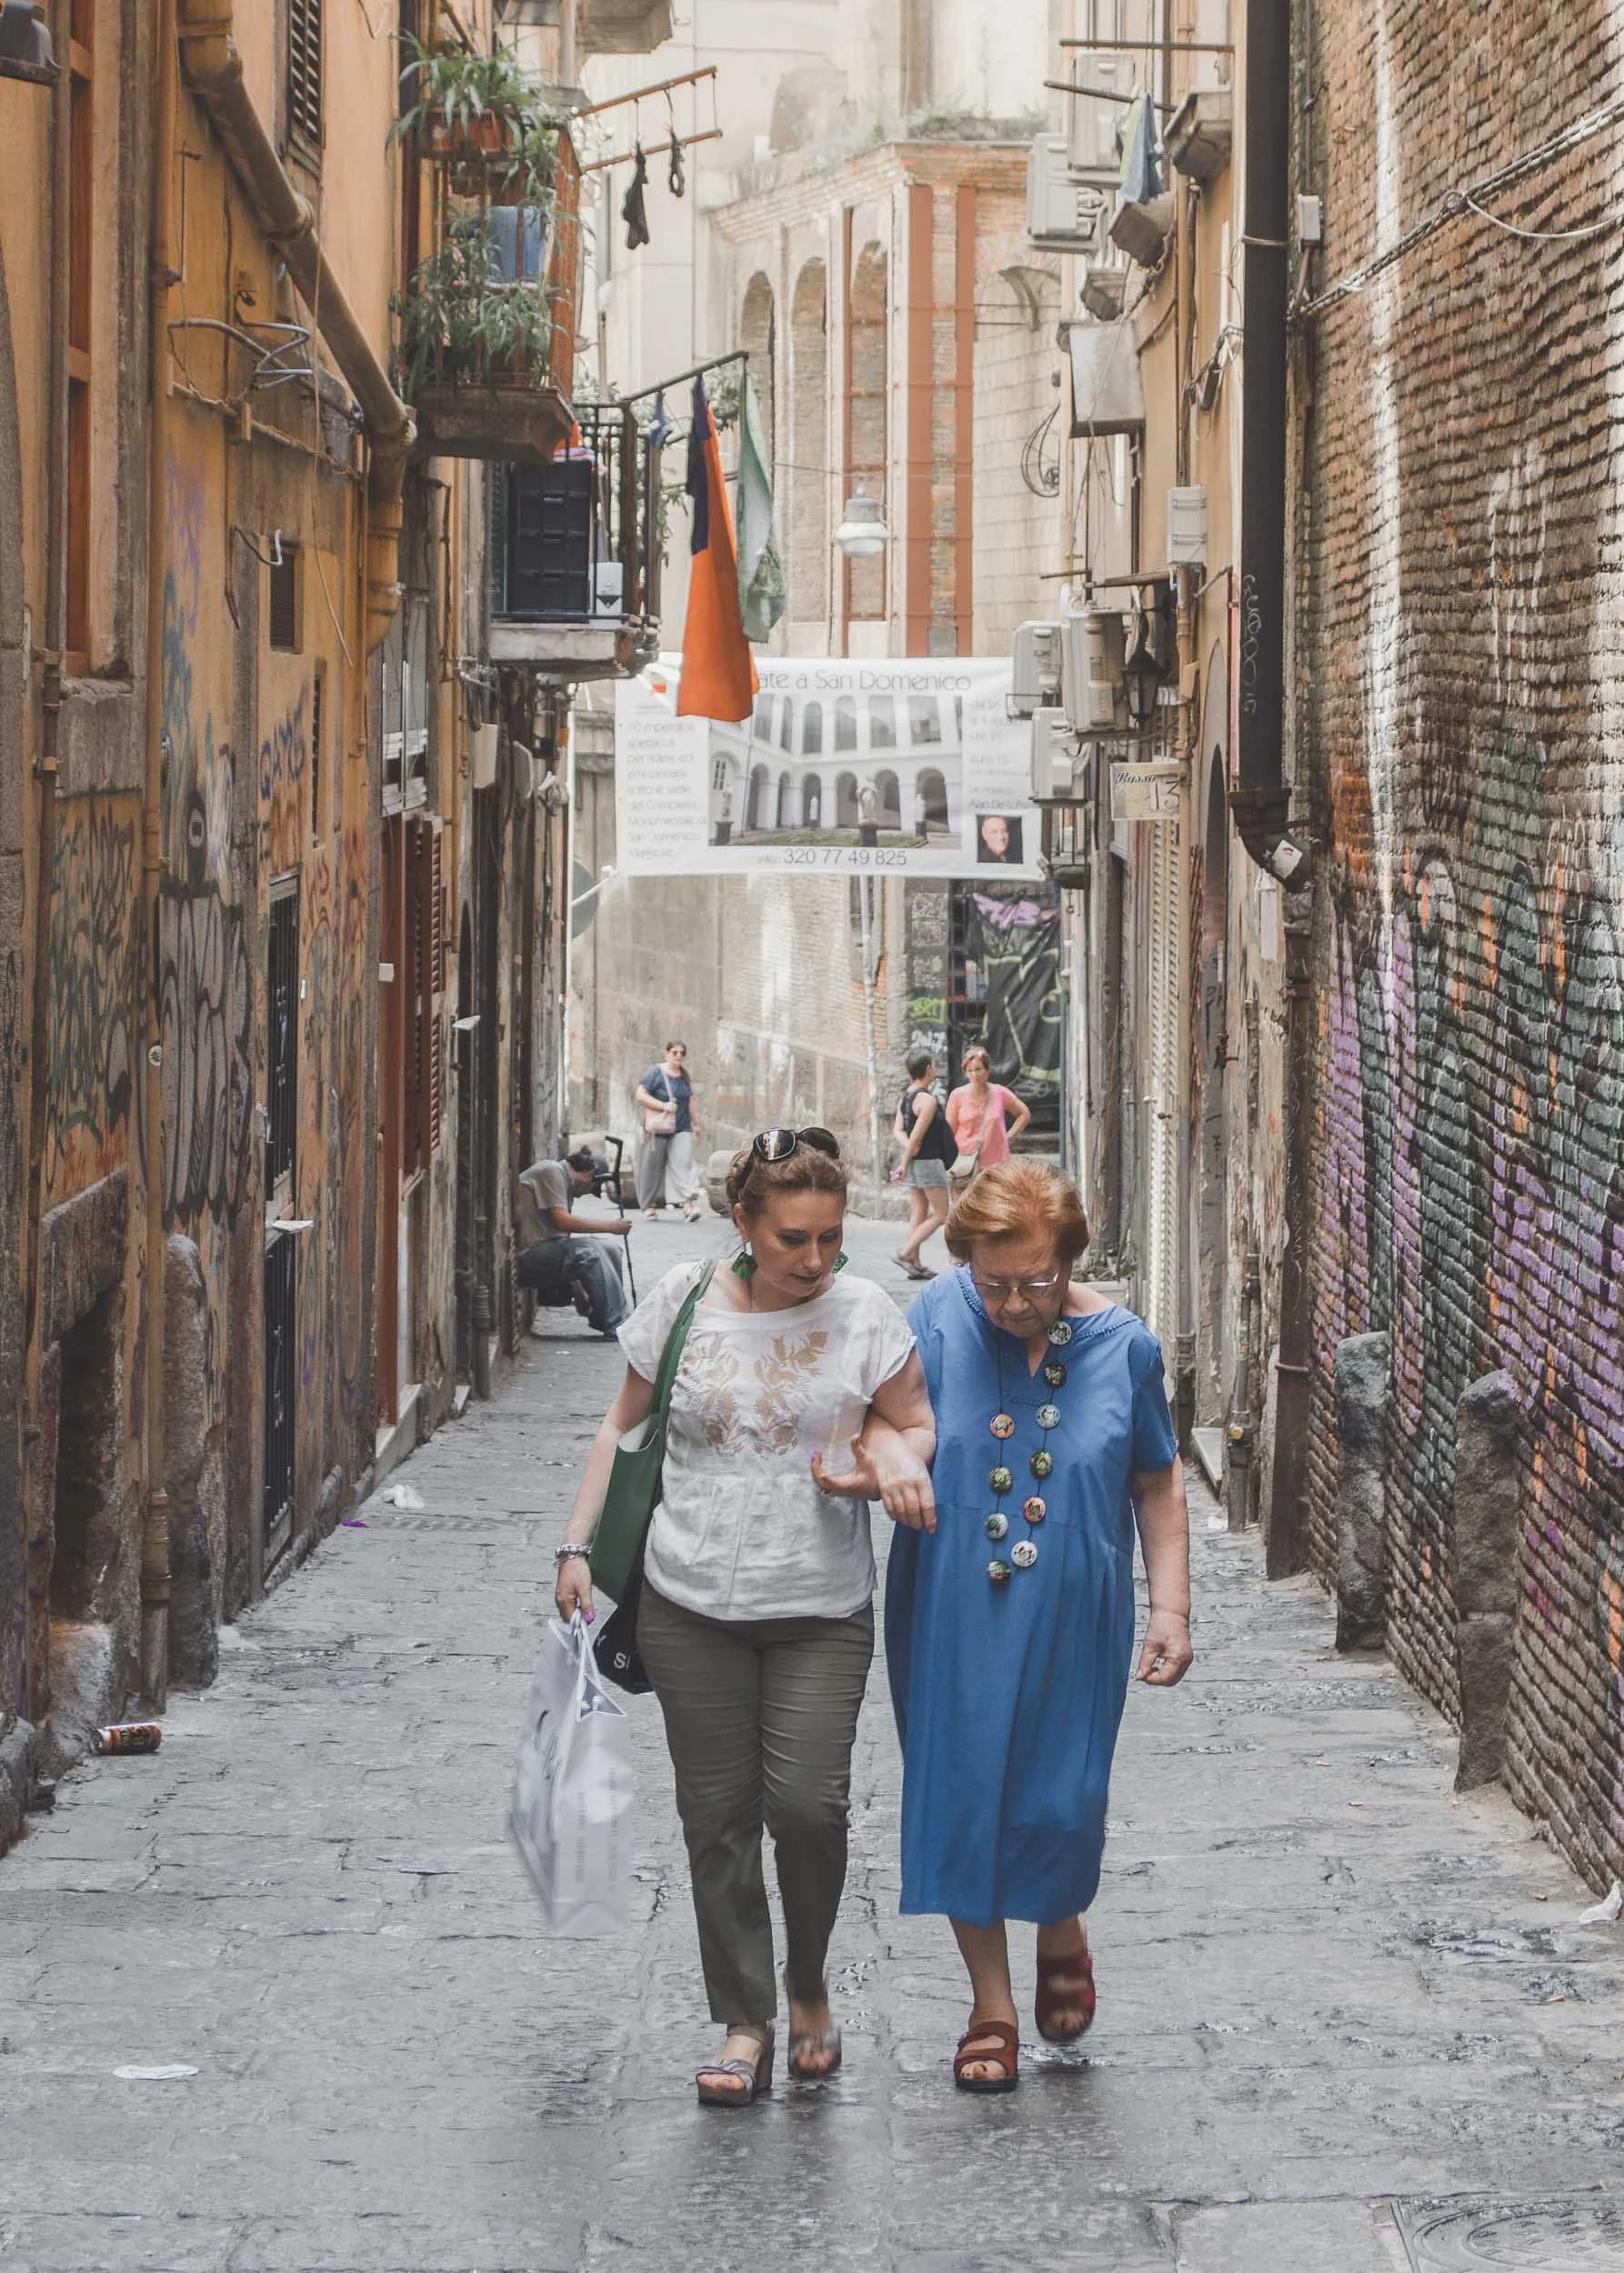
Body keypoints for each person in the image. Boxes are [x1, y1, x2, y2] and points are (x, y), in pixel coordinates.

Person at [555, 1129, 936, 2107]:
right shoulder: (683, 1299)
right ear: (744, 1224)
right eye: (792, 1239)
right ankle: (744, 2019)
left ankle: (807, 1981)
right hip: (687, 1601)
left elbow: (914, 1420)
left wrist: (888, 1467)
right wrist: (576, 1545)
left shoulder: (865, 1311)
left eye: (830, 1237)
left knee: (809, 1810)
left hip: (820, 1605)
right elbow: (623, 1423)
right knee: (716, 1820)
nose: (814, 1259)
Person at [875, 1159, 1193, 2093]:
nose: (1015, 1303)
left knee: (1062, 1795)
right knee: (962, 1791)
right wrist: (890, 1456)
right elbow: (875, 1419)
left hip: (1075, 1614)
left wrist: (1170, 1606)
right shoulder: (934, 1319)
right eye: (995, 1282)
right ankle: (992, 2006)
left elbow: (1157, 1479)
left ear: (1070, 1260)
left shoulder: (1125, 1348)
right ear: (965, 1263)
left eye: (1037, 1281)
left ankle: (1059, 1918)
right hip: (950, 1603)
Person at [515, 1147, 633, 1337]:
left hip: (546, 1251)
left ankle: (609, 1314)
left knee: (610, 1248)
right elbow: (562, 1221)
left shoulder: (562, 1181)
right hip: (527, 1255)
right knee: (591, 1250)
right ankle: (615, 1322)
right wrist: (611, 1226)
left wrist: (579, 1288)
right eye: (591, 1188)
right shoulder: (552, 1171)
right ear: (590, 1174)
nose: (585, 1194)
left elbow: (562, 1241)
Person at [890, 1048, 956, 1280]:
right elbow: (917, 1136)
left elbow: (898, 1130)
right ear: (928, 1069)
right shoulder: (927, 1100)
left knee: (919, 1211)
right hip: (928, 1162)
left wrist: (907, 1152)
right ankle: (905, 1252)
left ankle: (915, 1264)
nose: (935, 1069)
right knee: (941, 1214)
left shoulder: (905, 1097)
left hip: (916, 1163)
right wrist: (903, 1163)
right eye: (934, 1065)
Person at [635, 1039, 705, 1221]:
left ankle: (688, 1206)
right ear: (667, 1054)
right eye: (675, 1052)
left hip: (682, 1127)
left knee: (683, 1165)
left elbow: (689, 1101)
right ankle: (649, 1205)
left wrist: (696, 1124)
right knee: (652, 1167)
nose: (679, 1056)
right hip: (658, 1128)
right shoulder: (655, 1072)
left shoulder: (684, 1076)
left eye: (682, 1053)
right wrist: (663, 1105)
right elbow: (640, 1095)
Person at [945, 1045, 1031, 1187]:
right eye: (970, 1070)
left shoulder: (1000, 1093)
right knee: (964, 1200)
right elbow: (949, 1131)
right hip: (965, 1162)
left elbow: (1024, 1113)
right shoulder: (957, 1095)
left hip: (996, 1164)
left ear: (987, 1070)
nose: (975, 1074)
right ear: (965, 1073)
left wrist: (1008, 1137)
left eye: (978, 1069)